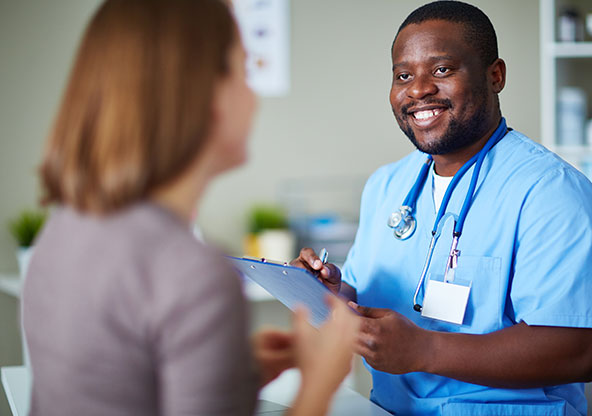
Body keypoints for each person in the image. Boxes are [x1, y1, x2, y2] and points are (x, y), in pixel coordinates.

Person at [22, 1, 359, 415]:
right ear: (204, 95)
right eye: (244, 71)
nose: (254, 97)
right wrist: (321, 381)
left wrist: (227, 374)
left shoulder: (65, 228)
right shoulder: (193, 273)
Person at [292, 1, 592, 415]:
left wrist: (426, 349)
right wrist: (328, 292)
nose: (417, 90)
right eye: (403, 75)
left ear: (495, 75)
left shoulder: (549, 192)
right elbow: (363, 293)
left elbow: (578, 350)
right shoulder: (386, 185)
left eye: (441, 70)